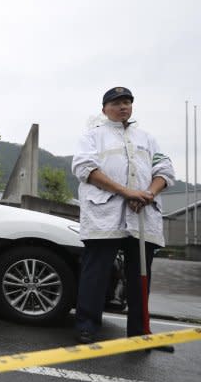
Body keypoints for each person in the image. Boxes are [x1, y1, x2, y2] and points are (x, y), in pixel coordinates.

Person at [71, 86, 175, 344]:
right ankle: (87, 326)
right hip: (104, 213)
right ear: (104, 109)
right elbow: (85, 168)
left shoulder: (147, 138)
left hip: (142, 214)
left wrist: (148, 193)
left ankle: (140, 332)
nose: (123, 106)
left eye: (127, 102)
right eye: (116, 102)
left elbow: (165, 168)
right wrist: (127, 192)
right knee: (96, 271)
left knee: (141, 273)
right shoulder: (92, 137)